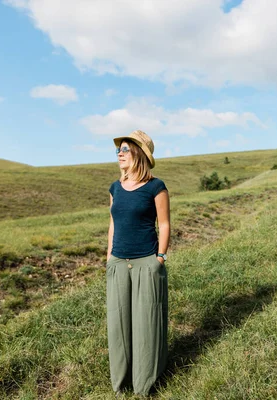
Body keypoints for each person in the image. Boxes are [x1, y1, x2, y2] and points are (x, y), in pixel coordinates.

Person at [106, 130, 170, 396]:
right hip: (118, 262)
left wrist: (160, 258)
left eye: (125, 149)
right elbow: (112, 224)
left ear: (139, 154)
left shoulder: (156, 187)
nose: (119, 154)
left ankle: (146, 385)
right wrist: (109, 257)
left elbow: (164, 224)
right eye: (118, 150)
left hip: (147, 261)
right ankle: (121, 384)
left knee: (147, 323)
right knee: (119, 325)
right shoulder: (115, 188)